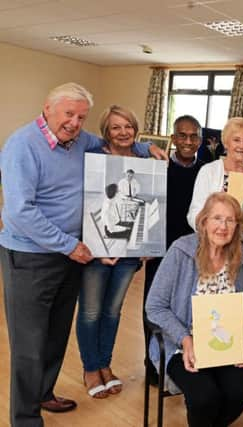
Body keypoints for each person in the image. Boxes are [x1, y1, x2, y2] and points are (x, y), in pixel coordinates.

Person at [0, 82, 164, 426]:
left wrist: (148, 147)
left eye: (81, 116)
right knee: (29, 344)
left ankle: (44, 393)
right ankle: (25, 418)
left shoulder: (81, 141)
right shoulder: (21, 146)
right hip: (30, 257)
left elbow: (120, 141)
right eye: (68, 114)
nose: (74, 122)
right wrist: (69, 244)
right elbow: (19, 212)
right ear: (48, 108)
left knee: (56, 334)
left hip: (70, 256)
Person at [146, 192, 243, 427]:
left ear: (237, 225)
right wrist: (185, 340)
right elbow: (155, 305)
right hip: (183, 346)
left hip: (224, 343)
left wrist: (239, 335)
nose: (223, 226)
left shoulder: (240, 256)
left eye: (230, 220)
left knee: (239, 395)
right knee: (204, 398)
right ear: (204, 221)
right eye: (217, 218)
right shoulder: (181, 251)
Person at [76, 105, 148, 399]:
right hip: (95, 249)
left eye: (128, 126)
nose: (123, 132)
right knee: (91, 311)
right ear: (106, 131)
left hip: (129, 252)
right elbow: (86, 203)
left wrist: (148, 243)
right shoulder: (94, 159)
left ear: (135, 129)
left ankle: (105, 364)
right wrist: (92, 245)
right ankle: (90, 368)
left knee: (113, 311)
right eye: (116, 127)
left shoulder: (144, 160)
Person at [143, 114, 205, 384]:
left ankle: (186, 361)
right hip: (160, 250)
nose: (188, 141)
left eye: (193, 136)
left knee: (189, 308)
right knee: (155, 306)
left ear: (200, 140)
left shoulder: (207, 171)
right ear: (173, 138)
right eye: (182, 135)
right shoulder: (158, 167)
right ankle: (153, 364)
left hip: (195, 253)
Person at [187, 117, 243, 264]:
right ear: (226, 142)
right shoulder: (209, 171)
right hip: (215, 248)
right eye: (236, 140)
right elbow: (195, 212)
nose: (242, 145)